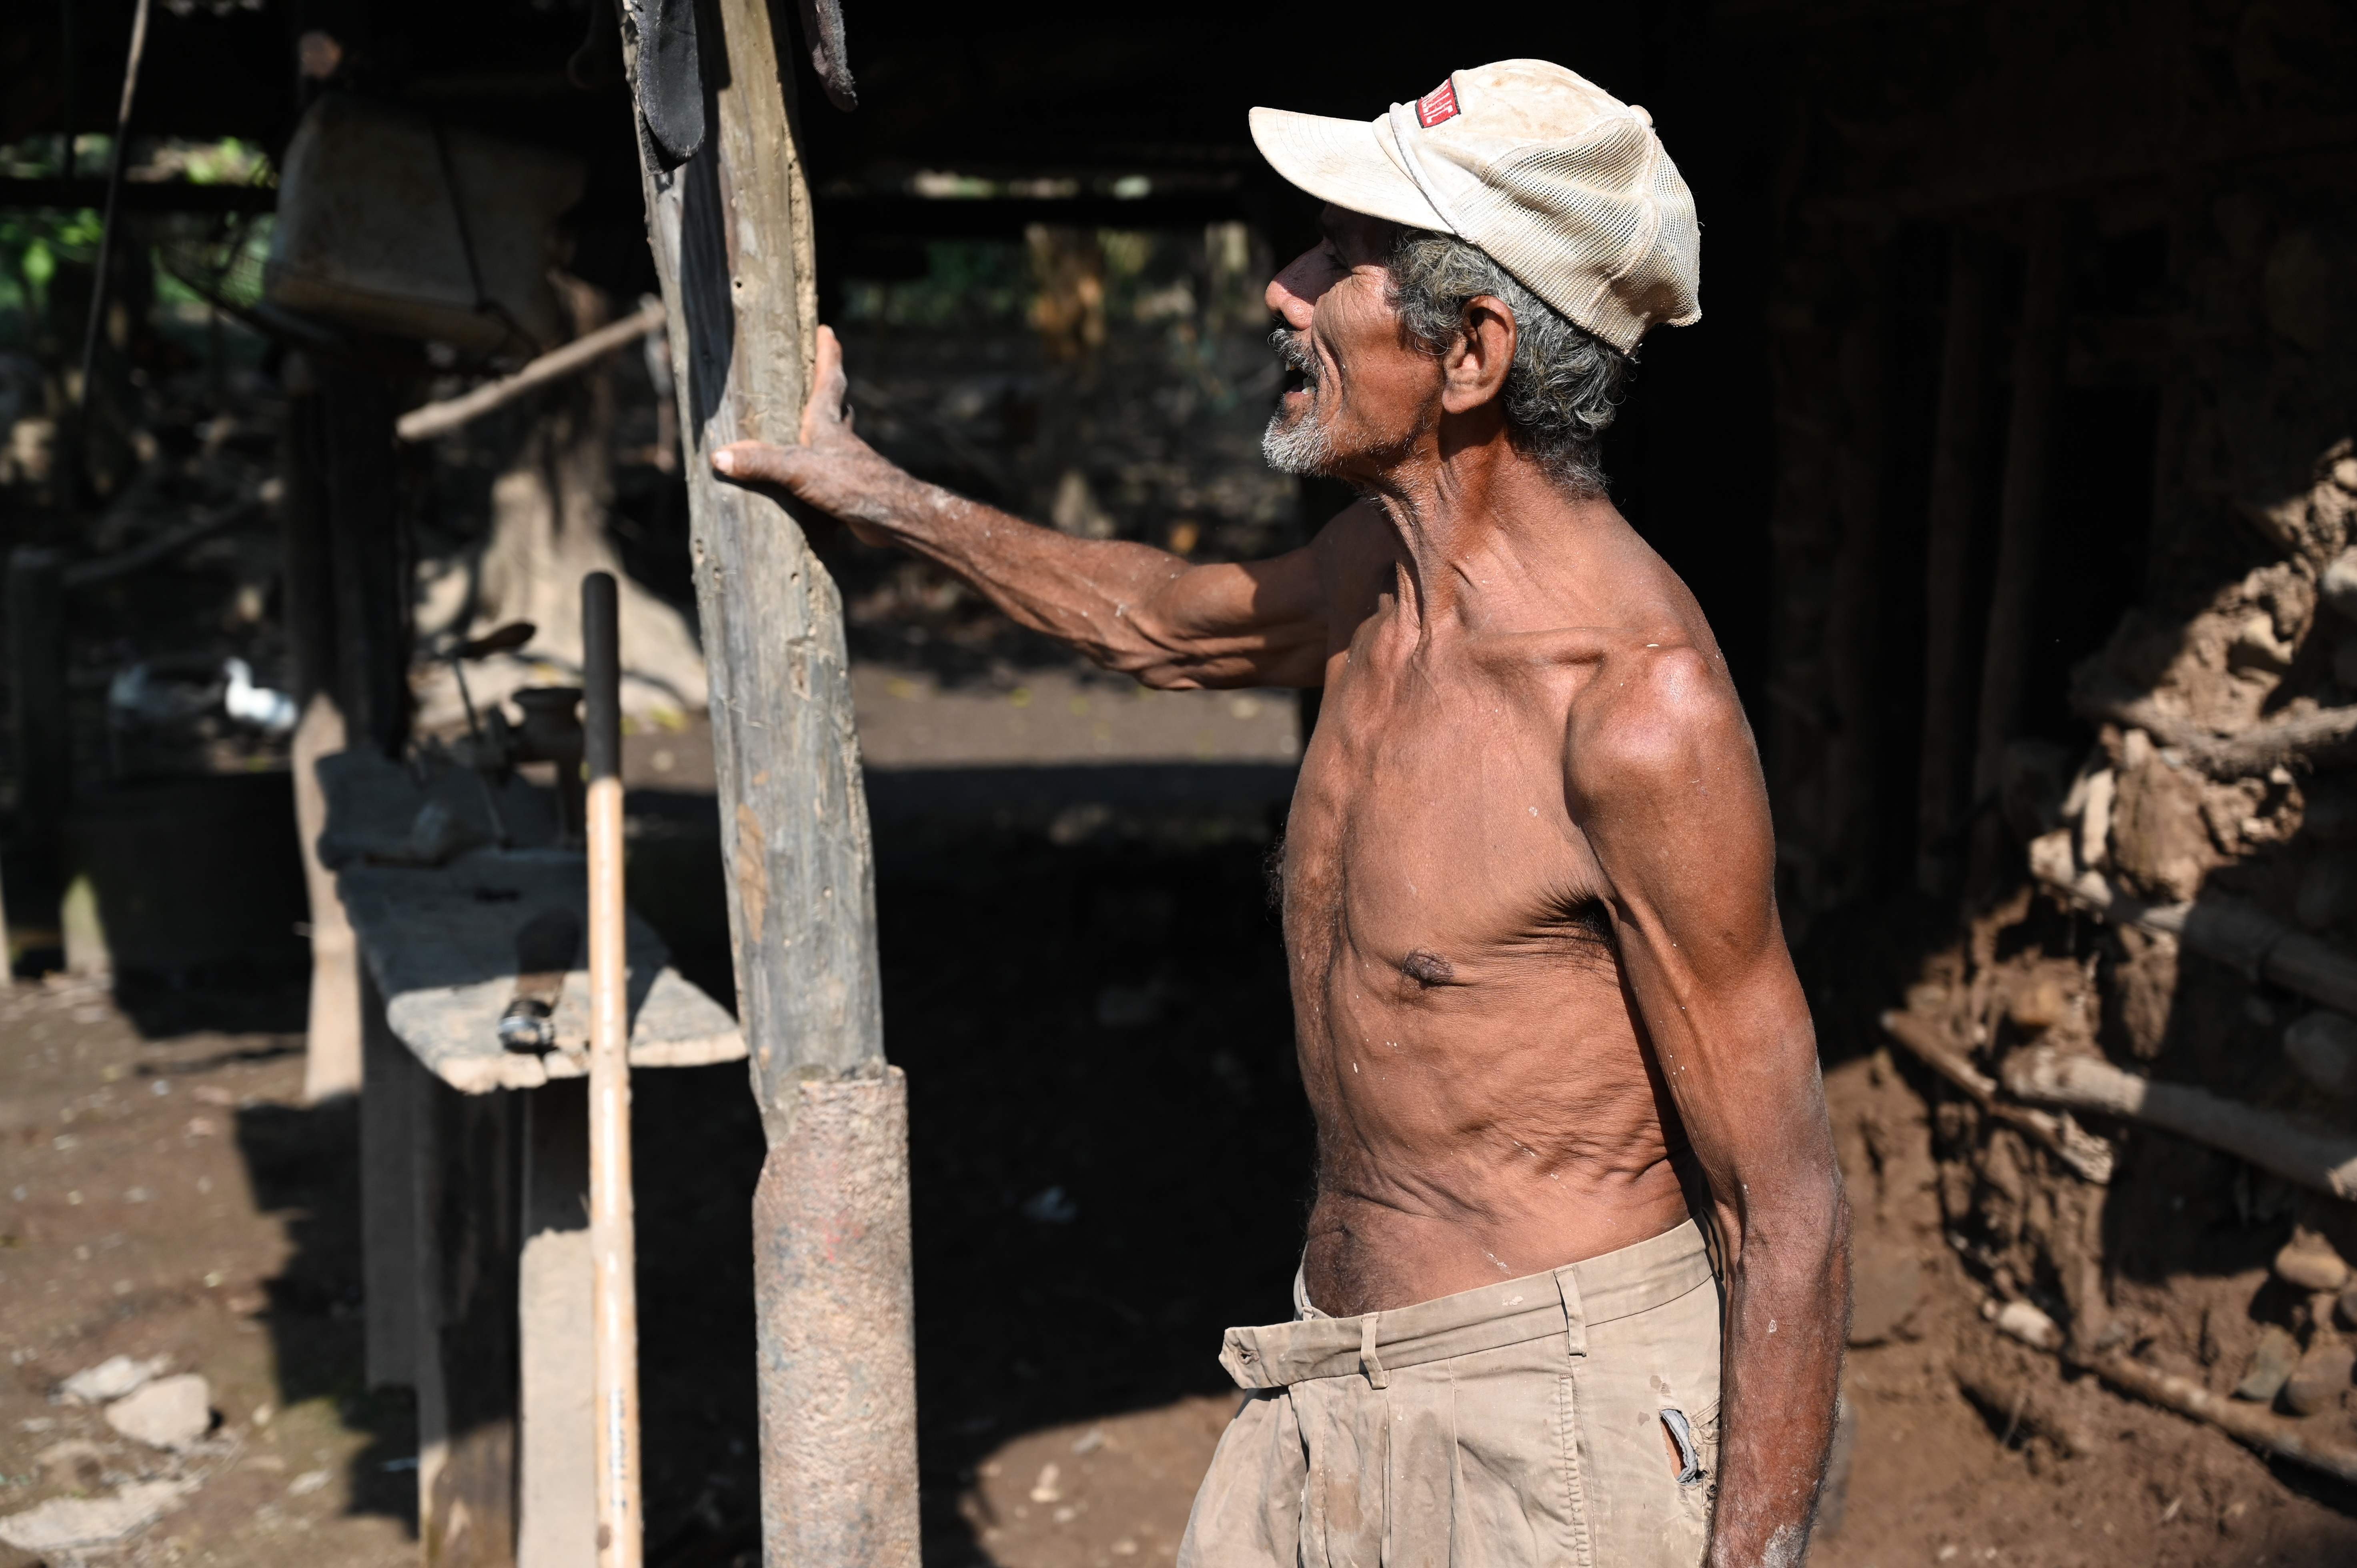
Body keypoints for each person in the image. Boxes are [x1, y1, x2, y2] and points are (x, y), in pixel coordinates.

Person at [712, 57, 1848, 1568]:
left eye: (1339, 259)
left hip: (1548, 1433)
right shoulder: (1380, 580)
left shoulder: (1633, 714)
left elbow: (1788, 1208)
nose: (1280, 290)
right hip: (1320, 1384)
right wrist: (874, 494)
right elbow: (1161, 621)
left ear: (1472, 355)